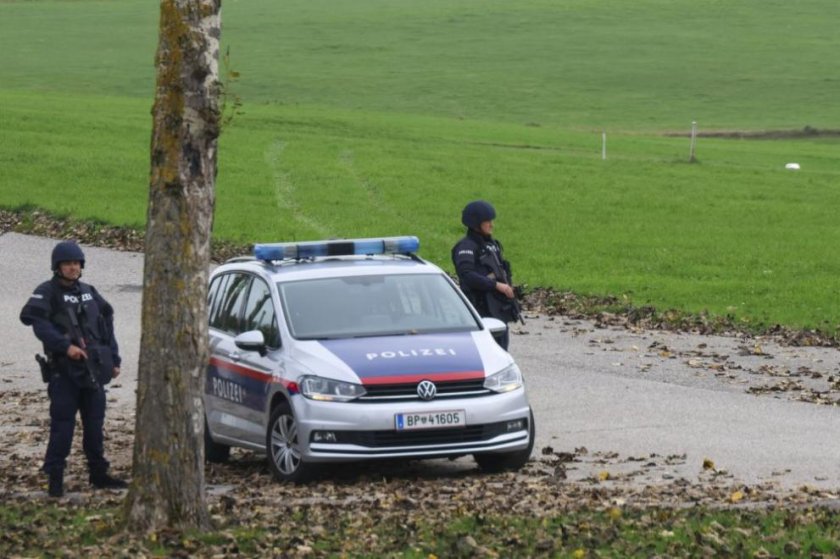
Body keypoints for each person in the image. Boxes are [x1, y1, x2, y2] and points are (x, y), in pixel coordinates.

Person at [20, 240, 128, 497]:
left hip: (93, 371)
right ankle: (55, 480)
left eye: (76, 263)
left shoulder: (89, 291)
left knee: (94, 425)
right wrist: (64, 346)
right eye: (67, 264)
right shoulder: (47, 292)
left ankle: (99, 475)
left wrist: (114, 358)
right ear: (57, 267)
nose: (72, 268)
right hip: (64, 372)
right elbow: (36, 321)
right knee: (63, 426)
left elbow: (106, 322)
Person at [452, 200, 521, 350]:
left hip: (497, 308)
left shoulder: (492, 245)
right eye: (487, 222)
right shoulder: (466, 247)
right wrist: (497, 285)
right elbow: (467, 275)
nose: (492, 225)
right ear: (476, 223)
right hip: (479, 308)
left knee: (502, 350)